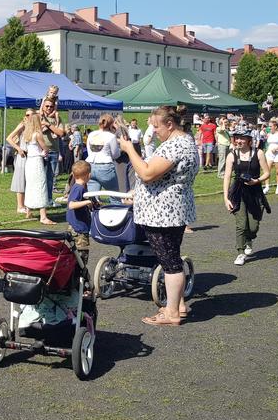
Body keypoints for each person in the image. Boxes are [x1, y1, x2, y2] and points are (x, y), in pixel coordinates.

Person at [119, 105, 199, 326]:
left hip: (163, 213)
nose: (154, 132)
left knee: (169, 263)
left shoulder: (174, 145)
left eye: (156, 127)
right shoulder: (187, 142)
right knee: (172, 257)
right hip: (173, 210)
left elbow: (146, 173)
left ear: (170, 124)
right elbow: (165, 177)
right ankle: (178, 305)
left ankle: (171, 313)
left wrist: (129, 149)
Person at [223, 126, 270, 266]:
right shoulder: (232, 155)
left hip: (255, 192)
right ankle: (240, 252)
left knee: (253, 226)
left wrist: (256, 181)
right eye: (236, 137)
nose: (239, 140)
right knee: (241, 224)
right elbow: (227, 177)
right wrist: (226, 198)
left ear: (249, 140)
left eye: (242, 137)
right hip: (237, 192)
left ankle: (249, 240)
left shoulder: (259, 153)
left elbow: (267, 173)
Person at [23, 113, 55, 225]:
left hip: (29, 161)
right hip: (36, 161)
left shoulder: (26, 134)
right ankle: (43, 216)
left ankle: (28, 210)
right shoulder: (37, 134)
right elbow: (44, 147)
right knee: (41, 185)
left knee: (30, 186)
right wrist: (45, 151)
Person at [67, 161, 95, 268]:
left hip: (76, 226)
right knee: (81, 257)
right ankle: (80, 277)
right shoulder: (78, 188)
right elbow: (71, 205)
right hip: (79, 229)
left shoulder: (78, 186)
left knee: (74, 254)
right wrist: (87, 202)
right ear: (89, 175)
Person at [39, 87, 65, 205]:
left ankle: (48, 199)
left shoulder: (56, 118)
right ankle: (39, 199)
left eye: (51, 106)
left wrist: (48, 125)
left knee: (50, 178)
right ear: (43, 106)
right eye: (47, 106)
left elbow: (61, 133)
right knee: (39, 177)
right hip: (40, 151)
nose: (49, 108)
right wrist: (45, 126)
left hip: (53, 151)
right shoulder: (38, 116)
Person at [6, 109, 33, 214]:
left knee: (27, 180)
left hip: (29, 156)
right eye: (27, 115)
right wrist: (19, 149)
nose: (29, 117)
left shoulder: (33, 127)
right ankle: (20, 206)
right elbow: (9, 138)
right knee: (20, 180)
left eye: (31, 115)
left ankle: (26, 204)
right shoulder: (22, 125)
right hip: (22, 156)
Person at [85, 114, 120, 193]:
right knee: (115, 195)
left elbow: (89, 151)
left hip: (90, 165)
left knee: (91, 195)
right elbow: (115, 154)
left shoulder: (91, 134)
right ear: (111, 125)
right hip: (105, 166)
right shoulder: (111, 136)